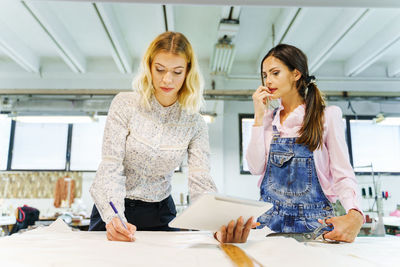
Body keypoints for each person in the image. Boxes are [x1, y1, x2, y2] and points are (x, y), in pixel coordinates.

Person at [89, 31, 255, 242]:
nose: (167, 79)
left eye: (177, 72)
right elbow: (110, 166)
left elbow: (200, 180)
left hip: (160, 214)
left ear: (188, 72)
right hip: (113, 208)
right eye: (160, 69)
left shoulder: (194, 123)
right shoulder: (125, 104)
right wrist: (114, 217)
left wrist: (217, 223)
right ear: (149, 67)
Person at [246, 44, 364, 243]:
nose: (268, 81)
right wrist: (259, 116)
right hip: (269, 225)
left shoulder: (326, 116)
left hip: (316, 226)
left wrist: (355, 213)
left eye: (275, 73)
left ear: (296, 74)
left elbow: (342, 174)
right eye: (265, 75)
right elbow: (255, 167)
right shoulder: (268, 120)